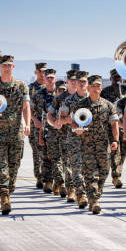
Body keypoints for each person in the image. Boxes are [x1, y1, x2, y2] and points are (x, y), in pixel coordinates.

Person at [0, 55, 31, 215]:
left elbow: (25, 107)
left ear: (13, 67)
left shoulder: (21, 86)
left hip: (16, 135)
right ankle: (4, 199)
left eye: (9, 65)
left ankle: (5, 191)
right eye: (4, 65)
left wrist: (28, 123)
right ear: (0, 67)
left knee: (13, 168)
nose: (7, 68)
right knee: (1, 168)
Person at [71, 75, 120, 214]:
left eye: (98, 86)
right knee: (90, 173)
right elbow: (73, 121)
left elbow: (114, 124)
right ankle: (94, 200)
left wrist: (115, 140)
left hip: (104, 146)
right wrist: (77, 129)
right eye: (93, 86)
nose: (96, 88)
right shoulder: (80, 105)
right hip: (87, 145)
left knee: (104, 173)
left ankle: (95, 196)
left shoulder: (108, 105)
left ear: (101, 87)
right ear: (89, 87)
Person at [58, 70, 90, 208]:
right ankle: (80, 194)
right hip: (74, 139)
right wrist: (71, 120)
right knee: (76, 167)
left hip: (90, 139)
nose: (82, 84)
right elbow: (61, 118)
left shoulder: (93, 99)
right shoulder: (68, 100)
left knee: (89, 168)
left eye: (84, 81)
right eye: (80, 81)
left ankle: (91, 192)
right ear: (75, 83)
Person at [48, 69, 78, 202]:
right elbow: (50, 114)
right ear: (67, 81)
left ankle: (81, 190)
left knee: (80, 164)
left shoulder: (85, 96)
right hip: (64, 136)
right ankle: (71, 190)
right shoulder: (59, 98)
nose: (74, 82)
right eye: (71, 80)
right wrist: (54, 123)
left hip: (81, 136)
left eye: (76, 80)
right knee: (67, 164)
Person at [101, 69, 126, 188]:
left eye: (118, 77)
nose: (117, 80)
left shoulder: (125, 90)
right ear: (110, 78)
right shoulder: (105, 92)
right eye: (114, 78)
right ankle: (116, 177)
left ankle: (117, 173)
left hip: (124, 125)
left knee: (122, 153)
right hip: (111, 126)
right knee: (114, 152)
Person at [28, 62, 47, 188]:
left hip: (48, 126)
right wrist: (34, 120)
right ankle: (39, 176)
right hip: (35, 125)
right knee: (37, 152)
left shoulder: (51, 86)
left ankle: (48, 176)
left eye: (45, 71)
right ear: (36, 72)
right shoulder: (31, 88)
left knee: (47, 152)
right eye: (40, 71)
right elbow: (26, 107)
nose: (43, 74)